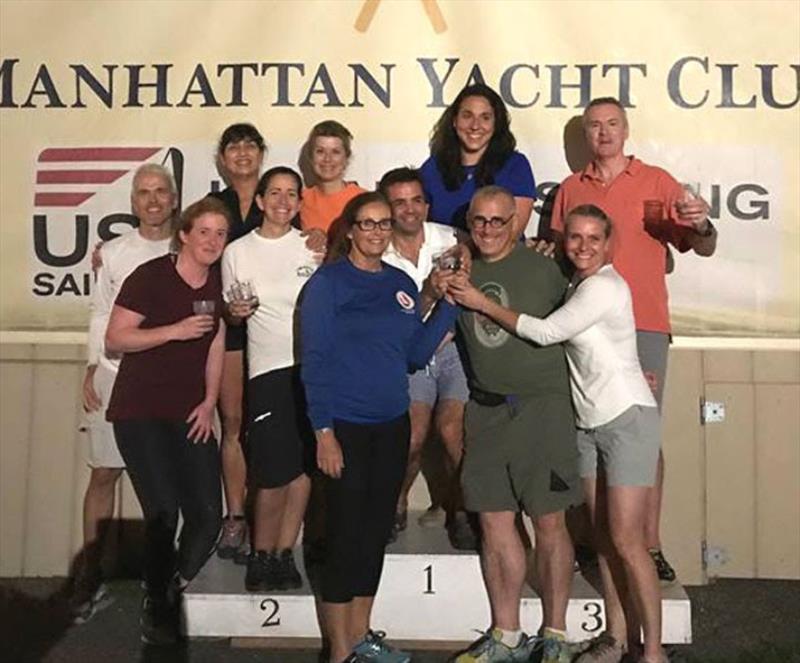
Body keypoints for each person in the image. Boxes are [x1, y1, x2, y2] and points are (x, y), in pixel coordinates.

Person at [452, 204, 666, 663]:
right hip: (588, 423)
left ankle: (652, 653)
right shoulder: (573, 281)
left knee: (629, 540)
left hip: (626, 417)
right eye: (575, 238)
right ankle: (616, 637)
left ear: (609, 244)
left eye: (594, 238)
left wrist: (481, 302)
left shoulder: (605, 286)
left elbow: (548, 333)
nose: (583, 246)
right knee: (605, 539)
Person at [549, 97, 718, 586]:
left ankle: (649, 543)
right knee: (587, 432)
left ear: (626, 130)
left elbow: (703, 244)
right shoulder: (569, 189)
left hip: (642, 325)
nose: (603, 133)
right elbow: (560, 258)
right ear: (586, 134)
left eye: (612, 124)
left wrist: (702, 223)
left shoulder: (657, 181)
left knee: (639, 436)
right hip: (581, 330)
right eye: (594, 126)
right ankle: (600, 540)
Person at [300, 191, 459, 663]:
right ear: (350, 229)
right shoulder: (328, 285)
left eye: (383, 224)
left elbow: (414, 353)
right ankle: (339, 649)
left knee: (372, 534)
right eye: (366, 224)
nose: (375, 231)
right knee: (345, 535)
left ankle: (362, 635)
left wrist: (447, 303)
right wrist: (323, 432)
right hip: (344, 428)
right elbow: (314, 361)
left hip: (390, 426)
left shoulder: (399, 283)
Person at [451, 186, 581, 663]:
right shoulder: (457, 269)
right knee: (494, 522)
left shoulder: (546, 268)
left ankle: (556, 634)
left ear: (517, 222)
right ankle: (506, 634)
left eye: (498, 221)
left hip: (541, 408)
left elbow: (583, 324)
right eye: (479, 221)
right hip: (485, 410)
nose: (488, 230)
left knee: (549, 521)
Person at [105, 197, 229, 645]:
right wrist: (173, 331)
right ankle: (158, 606)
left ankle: (167, 585)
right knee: (163, 511)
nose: (213, 241)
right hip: (140, 412)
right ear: (184, 234)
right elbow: (116, 337)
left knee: (208, 515)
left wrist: (210, 401)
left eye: (220, 233)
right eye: (204, 232)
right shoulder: (151, 276)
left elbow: (215, 345)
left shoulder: (219, 281)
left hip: (190, 412)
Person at [210, 123, 327, 562]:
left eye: (290, 194)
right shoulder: (237, 250)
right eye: (273, 193)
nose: (282, 201)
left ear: (300, 202)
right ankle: (258, 547)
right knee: (273, 468)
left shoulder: (314, 248)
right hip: (265, 367)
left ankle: (283, 553)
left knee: (304, 468)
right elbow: (230, 303)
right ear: (260, 200)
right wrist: (233, 312)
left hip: (313, 368)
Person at [71, 163, 177, 622]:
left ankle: (164, 581)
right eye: (143, 193)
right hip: (115, 378)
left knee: (168, 487)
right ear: (133, 202)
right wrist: (93, 365)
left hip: (172, 385)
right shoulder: (112, 253)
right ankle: (91, 574)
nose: (152, 200)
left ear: (174, 199)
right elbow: (100, 314)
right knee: (103, 476)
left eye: (160, 192)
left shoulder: (192, 247)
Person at [377, 167, 475, 549]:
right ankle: (395, 501)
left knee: (453, 432)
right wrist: (430, 295)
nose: (409, 209)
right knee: (413, 437)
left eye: (416, 200)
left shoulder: (452, 238)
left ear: (427, 204)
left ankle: (464, 510)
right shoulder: (376, 250)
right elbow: (393, 323)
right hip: (409, 354)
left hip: (453, 350)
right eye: (399, 202)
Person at [421, 84, 536, 235]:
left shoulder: (515, 166)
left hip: (497, 258)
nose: (475, 125)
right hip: (444, 257)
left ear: (496, 123)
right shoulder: (433, 167)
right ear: (454, 121)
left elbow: (512, 234)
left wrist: (467, 249)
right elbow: (420, 229)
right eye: (467, 116)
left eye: (485, 117)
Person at [299, 120, 366, 235]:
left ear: (346, 158)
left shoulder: (364, 200)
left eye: (335, 152)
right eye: (320, 151)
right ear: (311, 156)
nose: (327, 159)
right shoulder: (300, 201)